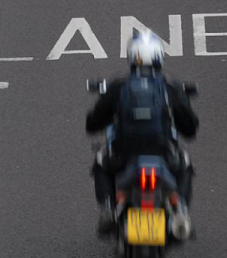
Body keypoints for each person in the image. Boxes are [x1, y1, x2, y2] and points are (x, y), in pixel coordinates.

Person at [85, 30, 199, 238]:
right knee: (185, 162)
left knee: (101, 161)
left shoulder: (119, 86)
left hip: (124, 152)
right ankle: (181, 209)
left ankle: (109, 208)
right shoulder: (169, 86)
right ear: (159, 56)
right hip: (162, 151)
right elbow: (189, 128)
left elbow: (94, 123)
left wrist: (95, 121)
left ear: (131, 56)